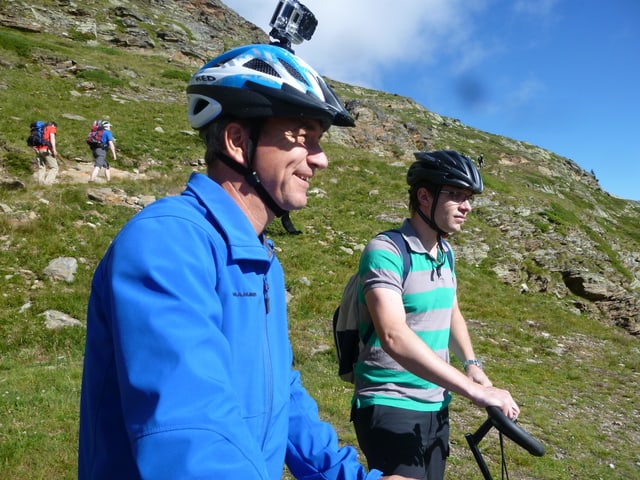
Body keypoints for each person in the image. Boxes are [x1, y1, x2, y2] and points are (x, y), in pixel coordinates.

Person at [78, 44, 409, 480]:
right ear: (237, 141)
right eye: (302, 136)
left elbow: (279, 393)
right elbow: (192, 438)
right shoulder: (170, 241)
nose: (321, 158)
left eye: (319, 141)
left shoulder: (261, 258)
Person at [351, 150, 520, 480]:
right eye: (456, 195)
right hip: (390, 400)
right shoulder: (385, 251)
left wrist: (472, 366)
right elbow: (393, 335)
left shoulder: (445, 253)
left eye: (468, 197)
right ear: (424, 197)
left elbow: (452, 310)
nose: (466, 206)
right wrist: (475, 392)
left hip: (436, 403)